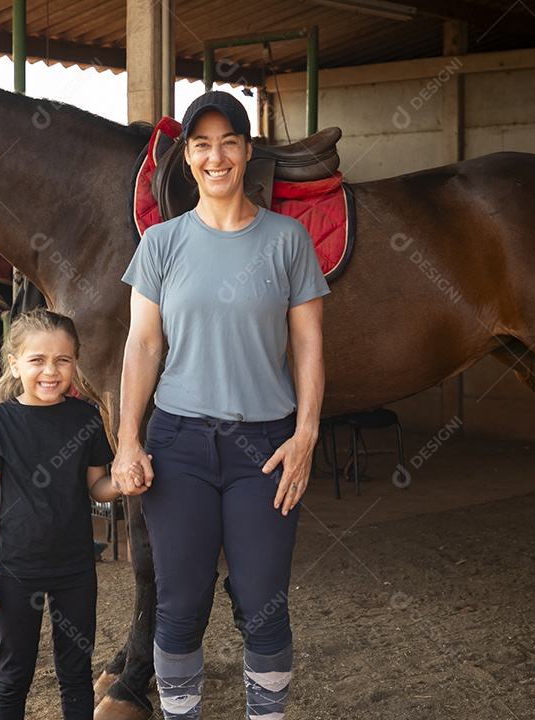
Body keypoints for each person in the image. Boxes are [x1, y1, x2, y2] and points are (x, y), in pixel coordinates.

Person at [112, 90, 329, 719]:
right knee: (180, 605)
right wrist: (129, 438)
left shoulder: (288, 241)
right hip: (178, 445)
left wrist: (307, 434)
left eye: (229, 142)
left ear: (247, 151)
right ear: (186, 160)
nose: (216, 156)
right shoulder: (160, 244)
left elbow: (309, 345)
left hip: (264, 447)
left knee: (264, 602)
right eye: (202, 145)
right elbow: (143, 346)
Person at [0, 308, 122, 720]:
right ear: (15, 365)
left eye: (62, 360)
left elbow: (97, 486)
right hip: (17, 569)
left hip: (76, 568)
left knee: (75, 673)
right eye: (37, 360)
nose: (50, 371)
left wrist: (123, 482)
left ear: (75, 361)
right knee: (14, 674)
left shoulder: (87, 418)